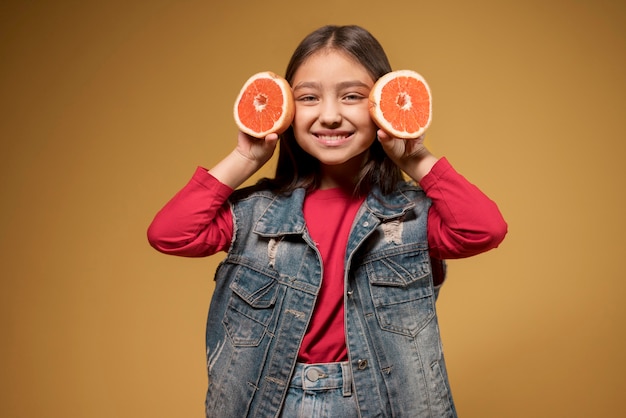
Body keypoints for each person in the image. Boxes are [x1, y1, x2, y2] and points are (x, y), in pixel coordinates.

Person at [147, 24, 507, 418]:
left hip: (380, 404)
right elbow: (170, 234)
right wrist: (246, 158)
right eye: (308, 98)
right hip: (274, 405)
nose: (330, 116)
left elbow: (484, 229)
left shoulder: (411, 216)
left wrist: (414, 156)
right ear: (286, 108)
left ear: (382, 106)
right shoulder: (256, 213)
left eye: (352, 96)